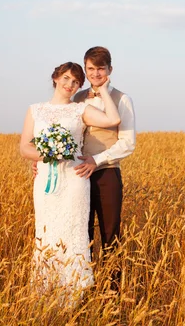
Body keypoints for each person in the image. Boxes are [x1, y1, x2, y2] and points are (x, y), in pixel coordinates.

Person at [19, 62, 120, 306]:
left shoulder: (80, 109)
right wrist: (49, 155)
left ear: (79, 85)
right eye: (65, 78)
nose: (69, 85)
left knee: (74, 232)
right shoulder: (35, 110)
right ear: (55, 78)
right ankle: (45, 291)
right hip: (46, 179)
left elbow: (113, 119)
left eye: (75, 82)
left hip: (75, 179)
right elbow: (25, 147)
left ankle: (76, 294)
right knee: (47, 230)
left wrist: (104, 89)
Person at [72, 47, 136, 265]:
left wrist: (96, 160)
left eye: (101, 68)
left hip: (107, 174)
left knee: (110, 234)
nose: (96, 74)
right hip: (78, 175)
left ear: (110, 69)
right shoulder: (77, 98)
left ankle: (112, 292)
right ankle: (86, 288)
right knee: (82, 235)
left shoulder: (122, 99)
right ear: (85, 69)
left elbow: (128, 143)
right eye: (91, 68)